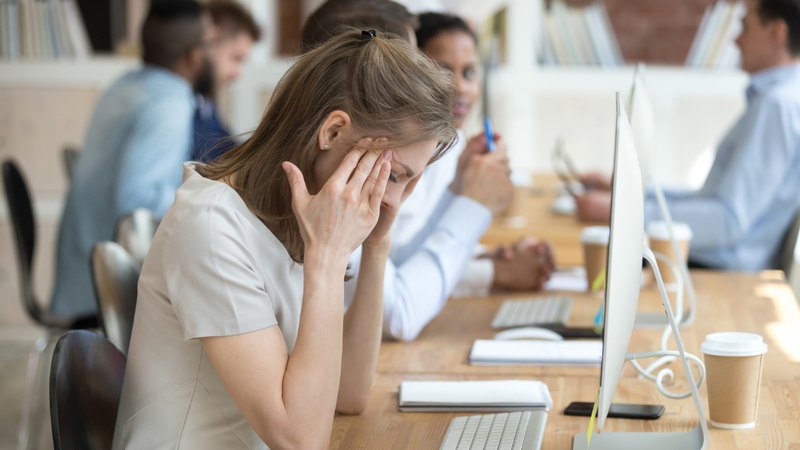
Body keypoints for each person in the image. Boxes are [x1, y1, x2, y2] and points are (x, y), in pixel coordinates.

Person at [112, 29, 457, 449]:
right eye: (395, 175)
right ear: (331, 133)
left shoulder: (296, 217)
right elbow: (301, 439)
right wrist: (327, 261)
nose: (393, 200)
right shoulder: (209, 226)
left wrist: (376, 245)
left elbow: (348, 393)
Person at [575, 0, 800, 272]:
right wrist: (632, 190)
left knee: (584, 263)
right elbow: (710, 200)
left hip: (716, 270)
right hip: (709, 261)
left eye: (744, 26)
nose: (735, 40)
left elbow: (726, 220)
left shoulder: (777, 107)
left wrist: (625, 212)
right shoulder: (778, 100)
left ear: (777, 32)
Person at [52, 0, 217, 317]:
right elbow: (137, 207)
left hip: (80, 276)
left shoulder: (124, 85)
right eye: (212, 42)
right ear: (194, 54)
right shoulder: (168, 104)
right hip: (107, 293)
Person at [193, 0, 261, 163]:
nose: (237, 74)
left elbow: (233, 152)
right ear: (212, 42)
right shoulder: (182, 108)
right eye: (235, 58)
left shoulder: (205, 104)